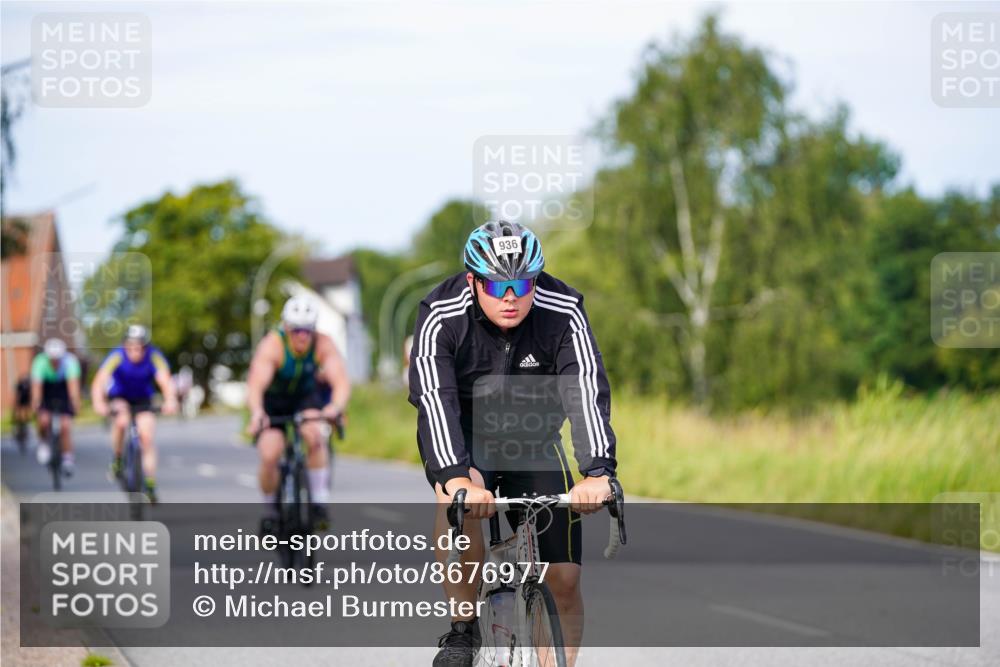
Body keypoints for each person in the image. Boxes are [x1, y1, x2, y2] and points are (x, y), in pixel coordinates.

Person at [410, 221, 618, 667]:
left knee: (563, 579)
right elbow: (433, 398)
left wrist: (598, 471)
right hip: (466, 439)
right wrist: (454, 476)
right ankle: (463, 630)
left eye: (523, 284)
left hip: (534, 437)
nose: (511, 297)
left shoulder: (563, 309)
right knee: (459, 500)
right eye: (496, 285)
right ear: (472, 281)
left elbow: (584, 386)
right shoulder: (441, 314)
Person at [246, 295, 350, 524]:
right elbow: (256, 384)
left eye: (307, 330)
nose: (302, 336)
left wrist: (335, 407)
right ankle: (270, 512)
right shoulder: (272, 345)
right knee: (270, 453)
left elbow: (340, 380)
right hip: (273, 402)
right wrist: (257, 412)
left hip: (305, 398)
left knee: (316, 434)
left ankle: (319, 504)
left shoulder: (323, 343)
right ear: (286, 327)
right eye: (296, 330)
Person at [91, 325, 178, 502]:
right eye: (130, 347)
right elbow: (100, 380)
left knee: (146, 436)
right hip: (121, 396)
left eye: (139, 347)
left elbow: (165, 380)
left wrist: (171, 399)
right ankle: (117, 458)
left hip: (143, 399)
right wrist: (99, 403)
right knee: (121, 421)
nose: (135, 352)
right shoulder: (116, 356)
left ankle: (150, 483)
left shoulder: (154, 356)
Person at [30, 338, 82, 474]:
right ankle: (44, 443)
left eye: (57, 359)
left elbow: (73, 387)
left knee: (65, 425)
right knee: (43, 420)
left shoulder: (70, 362)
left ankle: (68, 458)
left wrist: (75, 402)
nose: (55, 362)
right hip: (47, 390)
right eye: (52, 359)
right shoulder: (40, 362)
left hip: (63, 390)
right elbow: (37, 387)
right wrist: (36, 403)